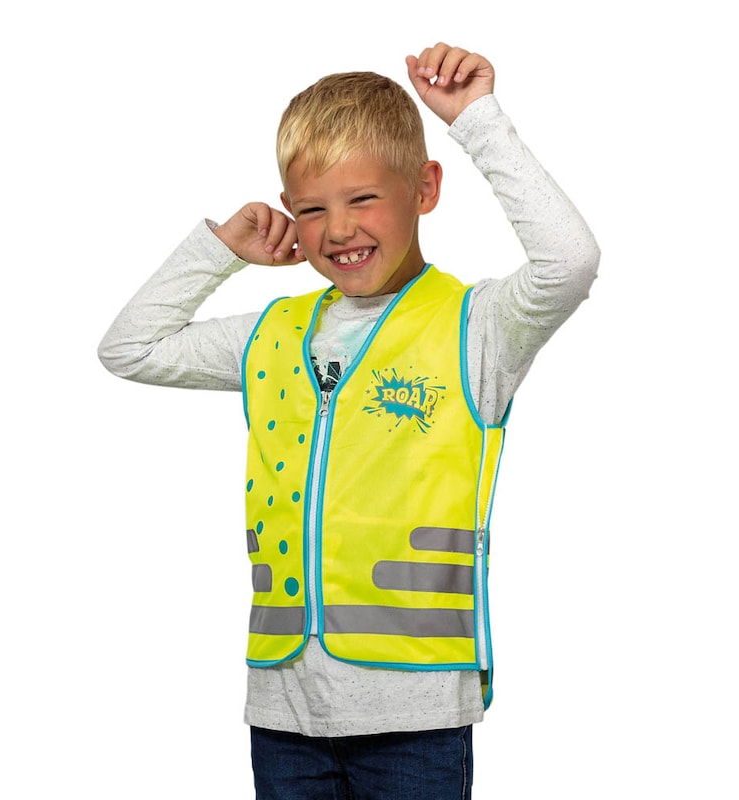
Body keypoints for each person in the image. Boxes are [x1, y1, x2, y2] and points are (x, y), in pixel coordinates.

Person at [99, 42, 599, 800]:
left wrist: (476, 120)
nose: (336, 230)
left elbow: (571, 262)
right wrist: (221, 251)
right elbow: (129, 349)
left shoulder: (477, 328)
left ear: (425, 188)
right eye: (310, 209)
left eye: (362, 198)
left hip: (417, 713)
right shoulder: (270, 335)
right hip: (283, 710)